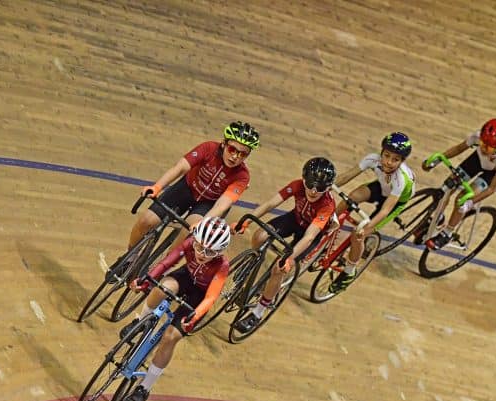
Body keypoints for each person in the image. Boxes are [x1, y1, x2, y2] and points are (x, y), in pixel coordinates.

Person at [118, 216, 233, 401]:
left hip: (200, 296)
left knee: (170, 337)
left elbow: (211, 297)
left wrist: (194, 316)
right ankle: (141, 320)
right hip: (186, 278)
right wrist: (147, 279)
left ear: (220, 252)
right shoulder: (190, 243)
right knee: (162, 288)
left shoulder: (222, 266)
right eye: (199, 247)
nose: (202, 254)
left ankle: (144, 388)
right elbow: (166, 263)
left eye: (209, 252)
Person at [232, 157, 338, 334]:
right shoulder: (297, 185)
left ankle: (258, 313)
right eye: (310, 184)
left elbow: (310, 237)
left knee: (279, 269)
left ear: (327, 189)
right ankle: (253, 262)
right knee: (260, 236)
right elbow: (271, 203)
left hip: (310, 233)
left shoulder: (327, 205)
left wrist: (289, 258)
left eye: (319, 188)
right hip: (295, 219)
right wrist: (246, 221)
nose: (313, 191)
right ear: (304, 179)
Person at [126, 121, 259, 249]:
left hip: (209, 204)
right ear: (224, 143)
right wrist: (157, 187)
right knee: (146, 221)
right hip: (187, 188)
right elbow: (180, 168)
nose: (235, 156)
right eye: (232, 149)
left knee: (188, 234)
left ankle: (161, 267)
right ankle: (128, 259)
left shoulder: (242, 176)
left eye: (242, 154)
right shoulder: (208, 148)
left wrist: (202, 223)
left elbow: (222, 205)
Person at [328, 132, 416, 293]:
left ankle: (349, 271)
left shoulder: (401, 179)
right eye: (386, 155)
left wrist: (366, 228)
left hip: (394, 201)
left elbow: (385, 210)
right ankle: (326, 223)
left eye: (395, 159)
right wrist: (328, 185)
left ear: (402, 161)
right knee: (352, 197)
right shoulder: (373, 159)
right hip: (382, 188)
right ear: (381, 152)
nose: (388, 162)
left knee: (358, 235)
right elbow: (348, 175)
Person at [421, 118, 496, 250]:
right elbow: (459, 148)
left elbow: (493, 188)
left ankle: (447, 233)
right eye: (482, 142)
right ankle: (438, 217)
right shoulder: (478, 136)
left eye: (488, 147)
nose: (483, 148)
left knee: (461, 199)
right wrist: (438, 159)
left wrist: (471, 202)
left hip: (490, 174)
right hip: (475, 162)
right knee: (447, 187)